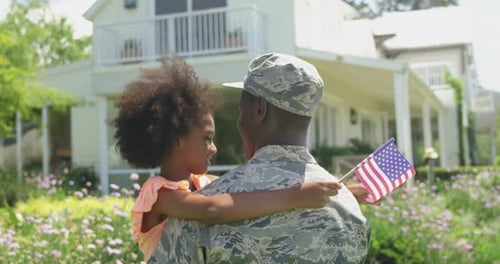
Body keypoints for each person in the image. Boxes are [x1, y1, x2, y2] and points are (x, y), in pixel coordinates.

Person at [113, 57, 345, 262]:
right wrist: (296, 196)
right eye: (207, 138)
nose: (213, 148)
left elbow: (252, 195)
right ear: (176, 139)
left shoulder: (202, 182)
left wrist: (338, 192)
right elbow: (213, 210)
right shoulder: (159, 195)